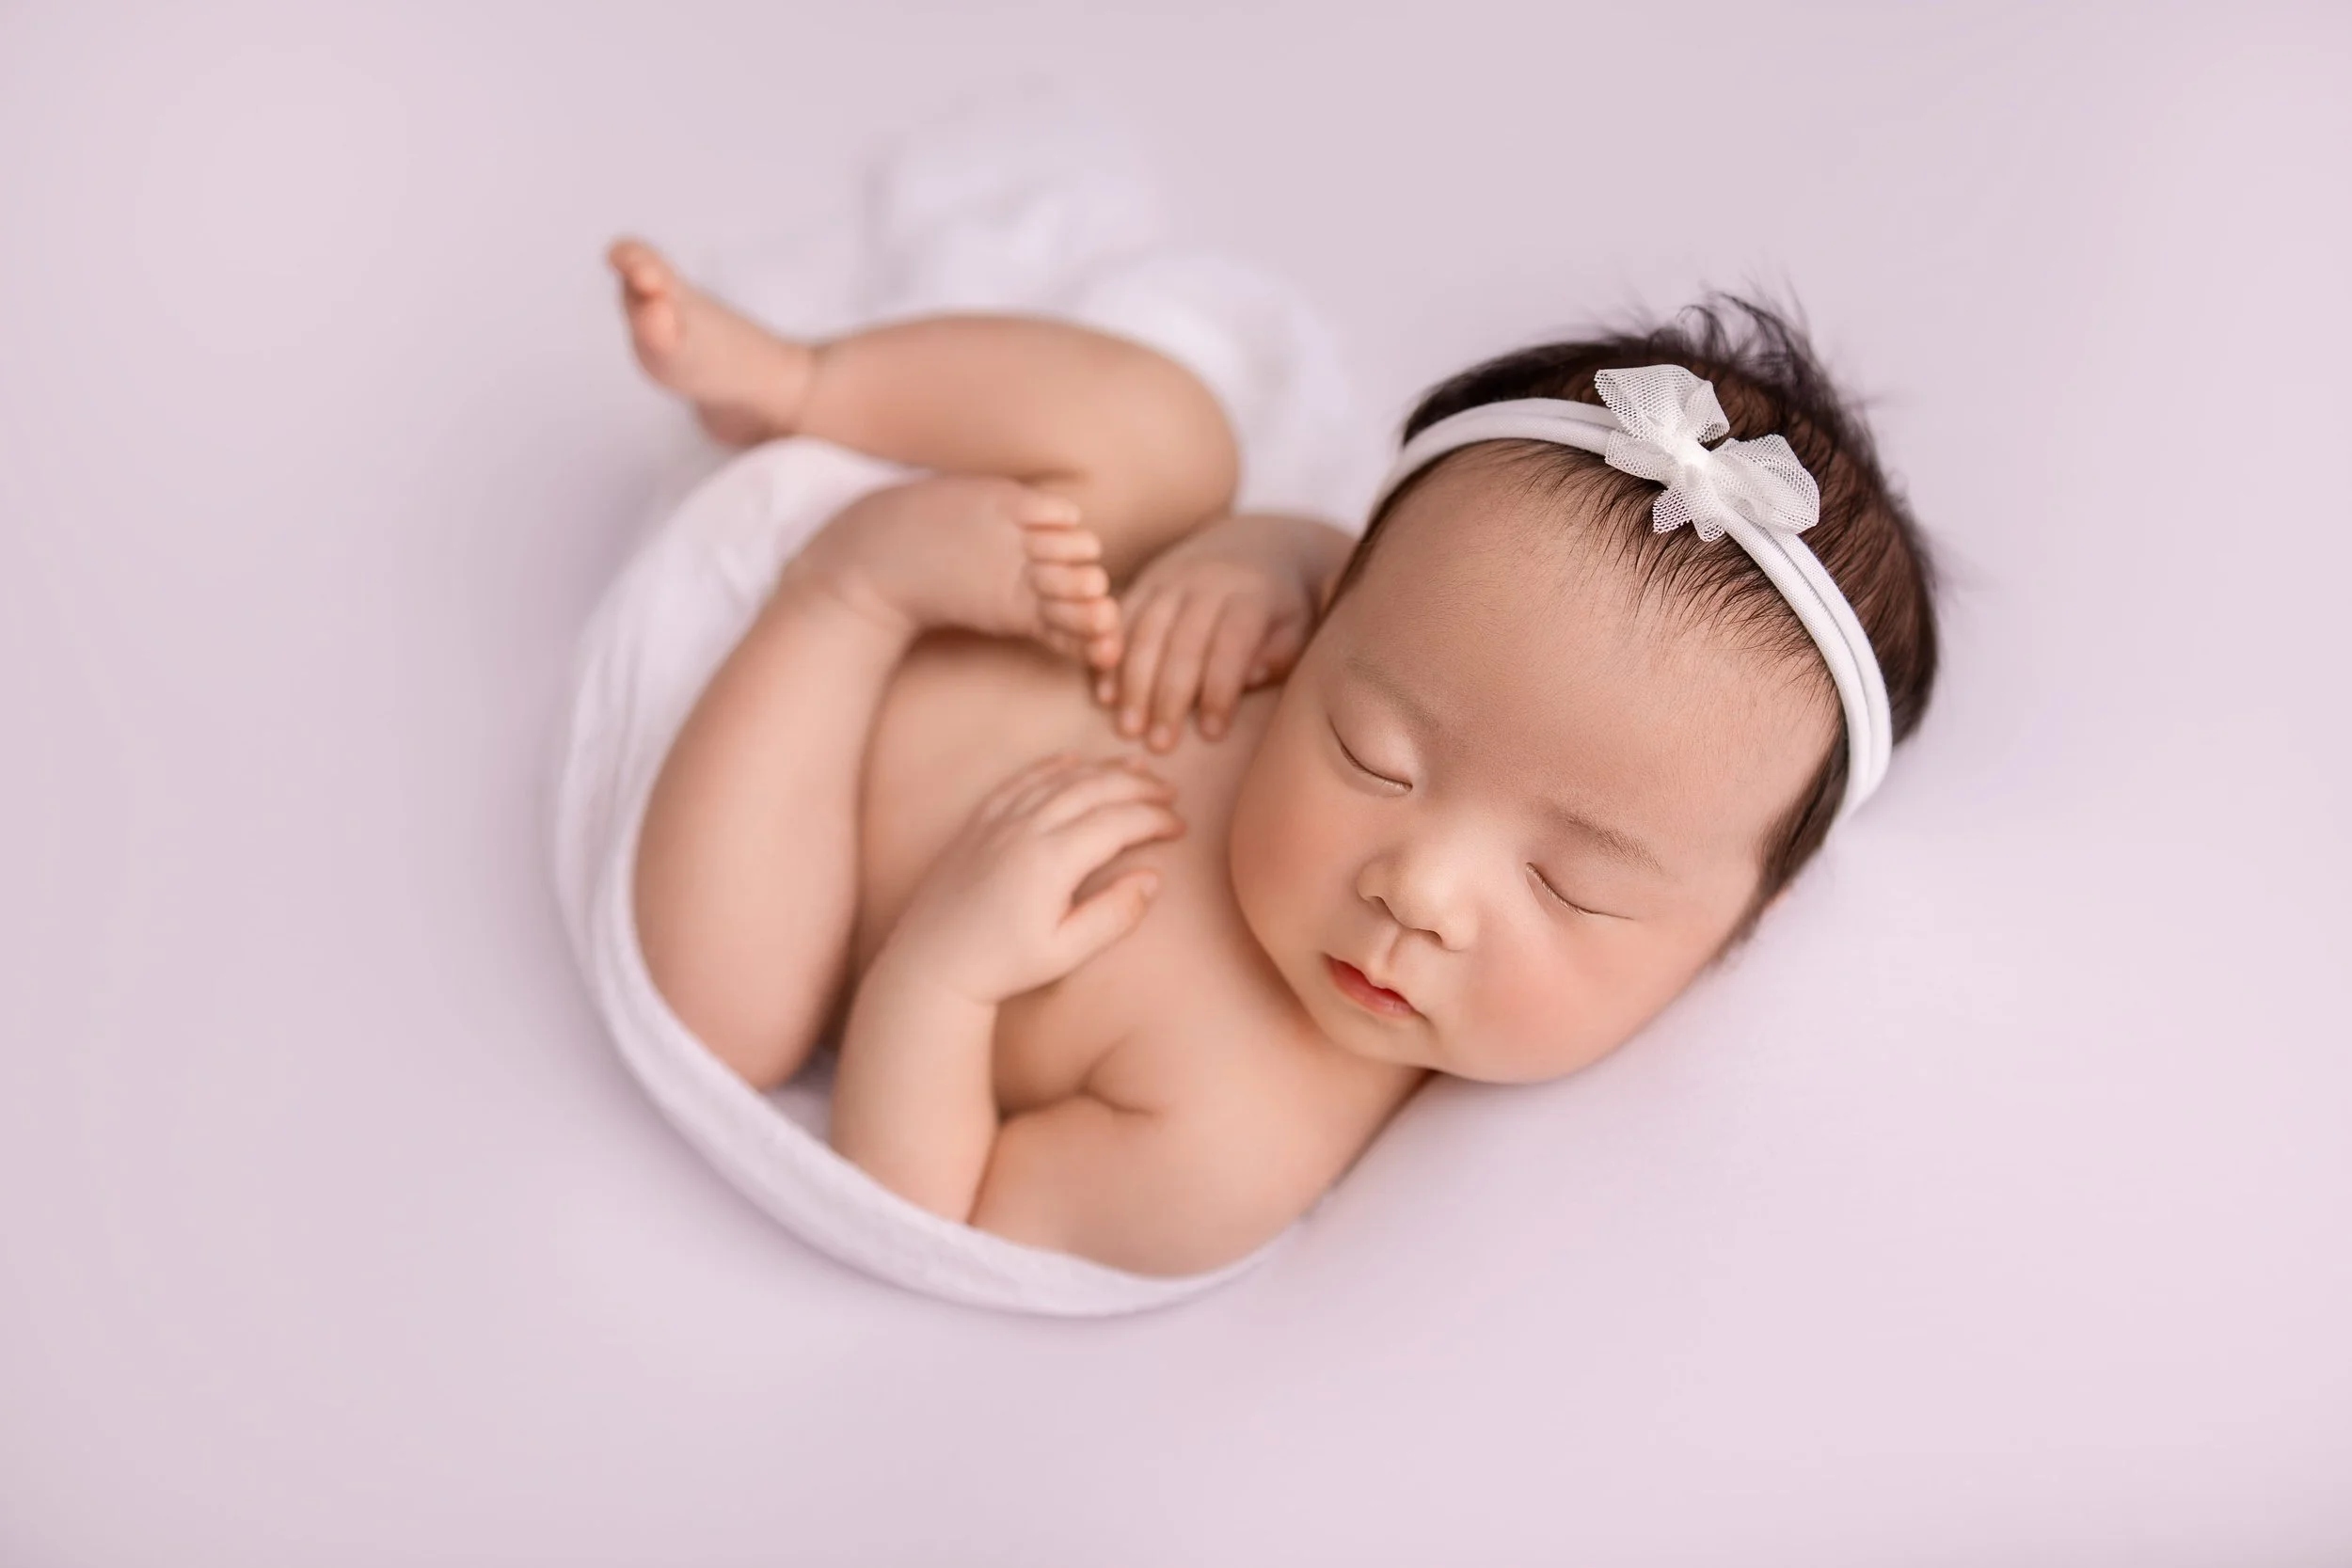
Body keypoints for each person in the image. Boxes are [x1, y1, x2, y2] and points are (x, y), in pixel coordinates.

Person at [607, 237, 1939, 1277]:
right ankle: (801, 384)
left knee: (733, 1012)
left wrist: (943, 973)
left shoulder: (1235, 1139)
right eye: (1375, 751)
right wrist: (1256, 556)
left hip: (812, 818)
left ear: (1735, 929)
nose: (1420, 886)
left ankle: (839, 589)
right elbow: (1340, 565)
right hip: (1024, 573)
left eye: (1570, 885)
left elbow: (922, 1205)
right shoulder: (1338, 612)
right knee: (1175, 437)